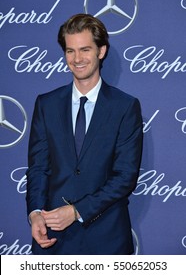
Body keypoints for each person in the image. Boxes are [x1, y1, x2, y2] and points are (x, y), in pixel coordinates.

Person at [26, 13, 143, 255]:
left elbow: (125, 177)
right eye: (70, 51)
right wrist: (35, 214)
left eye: (85, 50)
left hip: (107, 240)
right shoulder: (46, 104)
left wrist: (77, 210)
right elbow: (38, 168)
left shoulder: (125, 107)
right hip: (53, 239)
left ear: (101, 51)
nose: (77, 59)